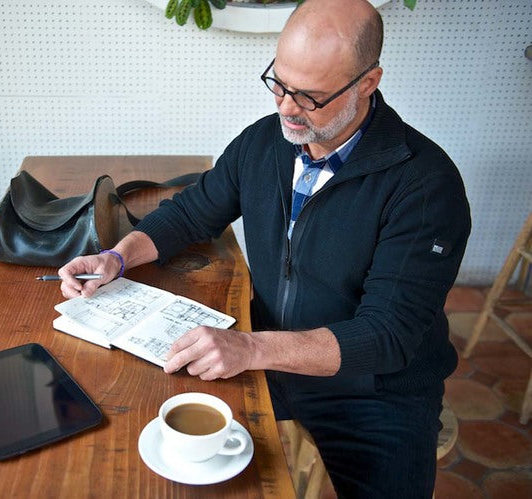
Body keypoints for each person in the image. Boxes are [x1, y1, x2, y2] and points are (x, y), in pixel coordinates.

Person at [59, 0, 471, 496]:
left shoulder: (425, 185)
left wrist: (251, 347)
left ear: (367, 83)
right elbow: (192, 211)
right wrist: (117, 257)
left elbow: (386, 335)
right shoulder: (263, 143)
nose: (286, 107)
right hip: (267, 359)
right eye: (279, 82)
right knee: (146, 441)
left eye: (310, 96)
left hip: (373, 392)